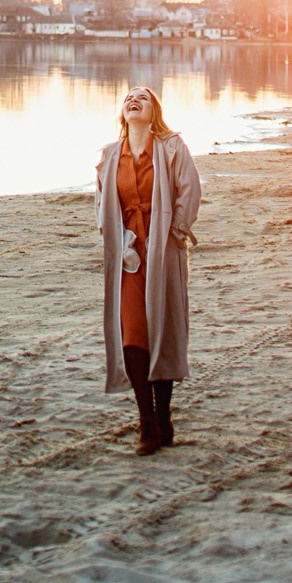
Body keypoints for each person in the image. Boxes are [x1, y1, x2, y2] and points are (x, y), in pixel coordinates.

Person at [95, 85, 201, 455]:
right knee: (133, 336)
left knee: (163, 331)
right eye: (128, 98)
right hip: (128, 257)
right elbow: (101, 200)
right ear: (122, 113)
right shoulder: (110, 155)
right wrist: (112, 235)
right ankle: (147, 422)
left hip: (163, 251)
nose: (133, 100)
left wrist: (176, 233)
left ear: (154, 109)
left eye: (142, 96)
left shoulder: (172, 147)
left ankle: (165, 415)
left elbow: (190, 191)